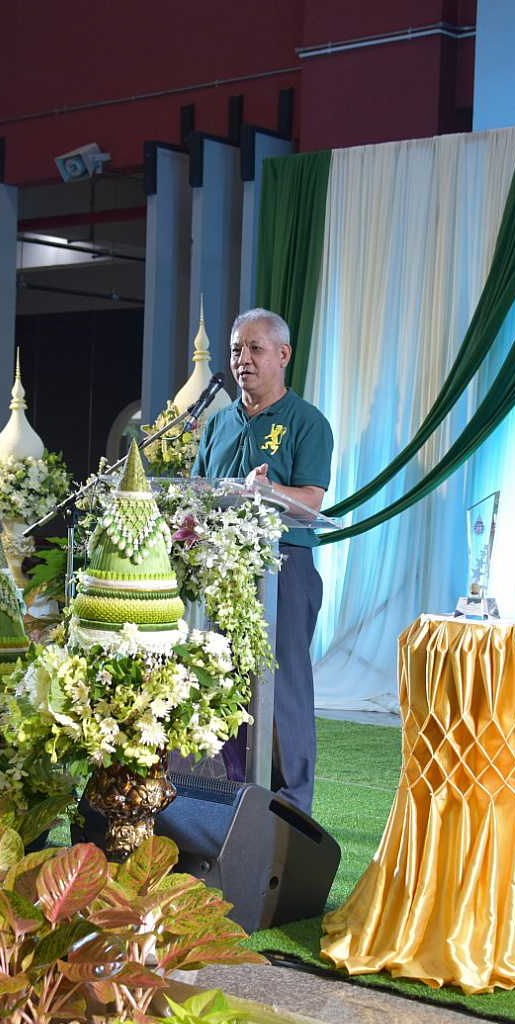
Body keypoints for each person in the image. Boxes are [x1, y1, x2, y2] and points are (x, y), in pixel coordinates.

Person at [192, 308, 334, 814]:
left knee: (283, 685)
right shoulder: (218, 423)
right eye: (236, 349)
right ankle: (228, 794)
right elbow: (199, 490)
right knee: (220, 678)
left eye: (255, 348)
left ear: (283, 355)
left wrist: (267, 491)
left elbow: (312, 502)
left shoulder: (306, 422)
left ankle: (290, 807)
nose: (243, 359)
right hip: (221, 568)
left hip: (282, 568)